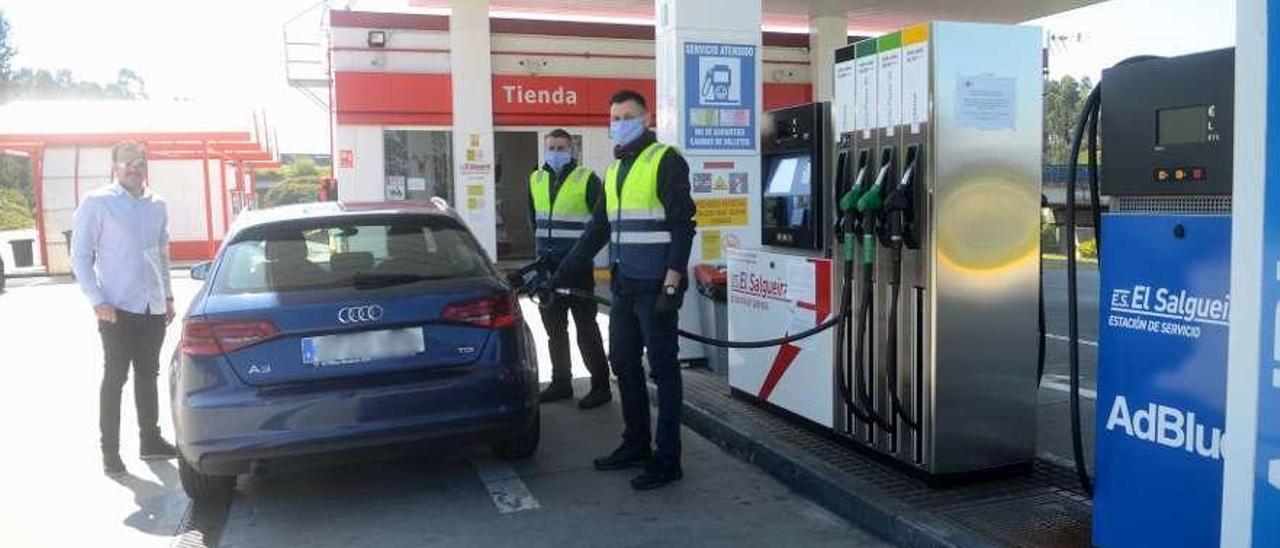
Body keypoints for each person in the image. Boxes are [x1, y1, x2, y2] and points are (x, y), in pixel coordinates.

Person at [556, 90, 697, 490]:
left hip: (656, 287)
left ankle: (668, 459)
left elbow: (683, 224)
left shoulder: (664, 160)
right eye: (614, 116)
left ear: (646, 117)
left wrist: (672, 282)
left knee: (664, 372)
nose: (619, 122)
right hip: (624, 286)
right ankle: (636, 443)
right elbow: (598, 228)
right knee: (623, 364)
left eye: (627, 115)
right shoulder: (615, 170)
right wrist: (563, 270)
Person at [72, 141, 178, 477]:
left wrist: (169, 297)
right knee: (115, 378)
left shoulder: (157, 204)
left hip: (153, 306)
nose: (135, 167)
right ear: (115, 166)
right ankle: (110, 452)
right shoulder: (97, 203)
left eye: (140, 161)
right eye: (128, 162)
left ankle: (151, 440)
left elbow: (161, 253)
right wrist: (97, 299)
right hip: (115, 308)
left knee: (149, 375)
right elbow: (81, 256)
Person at [526, 129, 612, 409]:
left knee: (586, 329)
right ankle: (561, 383)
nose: (556, 151)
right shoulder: (535, 179)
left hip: (576, 270)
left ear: (572, 150)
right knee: (554, 331)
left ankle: (600, 387)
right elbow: (534, 222)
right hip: (546, 273)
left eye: (562, 147)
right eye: (552, 147)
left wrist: (577, 259)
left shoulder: (587, 180)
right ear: (544, 149)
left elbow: (601, 225)